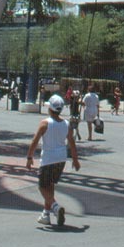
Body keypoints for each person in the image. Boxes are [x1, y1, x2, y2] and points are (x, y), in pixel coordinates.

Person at [26, 95, 80, 226]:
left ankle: (55, 207)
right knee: (50, 185)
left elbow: (35, 141)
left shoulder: (45, 123)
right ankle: (46, 214)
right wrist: (75, 159)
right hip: (61, 159)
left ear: (50, 108)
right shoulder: (66, 124)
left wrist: (29, 157)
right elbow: (72, 143)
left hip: (48, 159)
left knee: (42, 186)